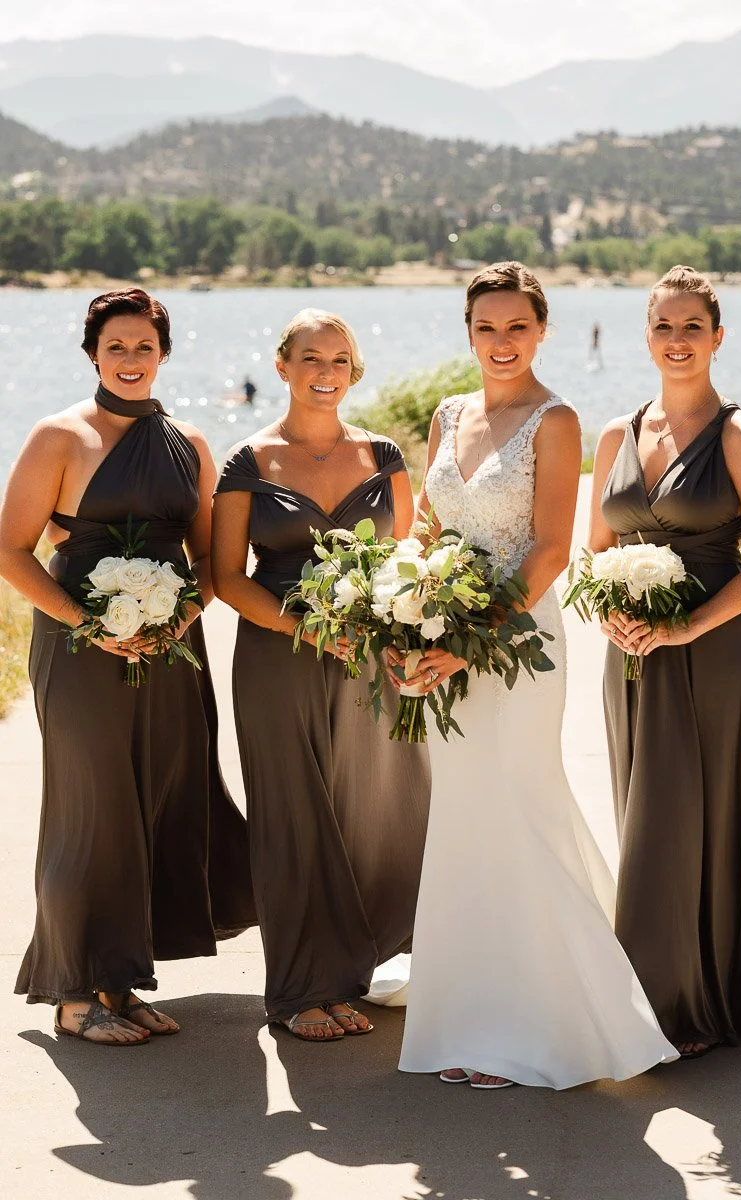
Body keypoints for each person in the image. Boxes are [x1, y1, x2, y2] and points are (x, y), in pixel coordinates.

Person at [397, 262, 676, 1089]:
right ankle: (468, 1016)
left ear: (542, 330)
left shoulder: (555, 420)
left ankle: (534, 1027)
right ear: (469, 332)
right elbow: (422, 525)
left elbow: (551, 550)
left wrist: (468, 637)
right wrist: (406, 612)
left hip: (516, 642)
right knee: (462, 817)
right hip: (442, 632)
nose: (501, 342)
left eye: (517, 327)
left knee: (516, 806)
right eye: (486, 327)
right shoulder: (449, 413)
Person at [0, 288, 255, 1046]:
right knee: (92, 808)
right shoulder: (59, 437)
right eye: (116, 346)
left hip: (173, 649)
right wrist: (90, 623)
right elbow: (11, 549)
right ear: (92, 355)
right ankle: (73, 993)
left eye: (145, 346)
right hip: (80, 652)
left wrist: (180, 616)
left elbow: (211, 556)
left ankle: (121, 977)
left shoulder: (191, 442)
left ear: (164, 354)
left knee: (158, 801)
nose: (131, 359)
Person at [588, 264, 741, 1058]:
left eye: (692, 328)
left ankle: (677, 1008)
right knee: (648, 815)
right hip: (633, 657)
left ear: (717, 337)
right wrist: (610, 609)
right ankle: (670, 994)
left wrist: (688, 628)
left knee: (690, 820)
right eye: (664, 328)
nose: (678, 342)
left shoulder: (739, 436)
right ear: (646, 338)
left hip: (714, 656)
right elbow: (595, 548)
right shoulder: (616, 433)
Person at [211, 308, 430, 1042]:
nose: (325, 373)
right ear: (282, 367)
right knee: (294, 814)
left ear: (353, 369)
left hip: (369, 659)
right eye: (310, 358)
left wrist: (399, 635)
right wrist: (300, 625)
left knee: (380, 811)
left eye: (339, 360)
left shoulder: (384, 455)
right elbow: (225, 578)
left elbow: (411, 562)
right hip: (278, 659)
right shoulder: (249, 459)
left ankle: (354, 971)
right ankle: (301, 988)